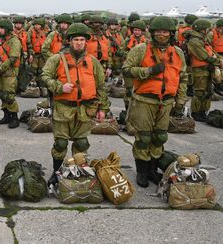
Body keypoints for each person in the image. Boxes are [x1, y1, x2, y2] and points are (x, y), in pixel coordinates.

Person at [41, 23, 110, 187]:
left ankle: (78, 171)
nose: (79, 43)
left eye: (81, 40)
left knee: (81, 144)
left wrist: (103, 108)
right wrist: (59, 87)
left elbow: (101, 86)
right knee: (60, 144)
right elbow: (45, 76)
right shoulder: (57, 59)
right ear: (69, 41)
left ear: (86, 42)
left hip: (85, 110)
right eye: (75, 40)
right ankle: (56, 173)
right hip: (63, 109)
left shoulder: (93, 62)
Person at [122, 16, 187, 187]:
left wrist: (180, 100)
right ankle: (142, 171)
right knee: (144, 138)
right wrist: (148, 71)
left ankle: (153, 170)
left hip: (166, 102)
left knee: (160, 137)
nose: (161, 35)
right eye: (158, 31)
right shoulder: (140, 50)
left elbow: (183, 77)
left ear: (171, 33)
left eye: (165, 32)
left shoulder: (178, 53)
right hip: (144, 100)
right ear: (152, 33)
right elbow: (126, 71)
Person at [184, 19, 220, 122]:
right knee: (199, 92)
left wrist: (217, 59)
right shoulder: (194, 41)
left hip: (207, 69)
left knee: (208, 91)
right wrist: (218, 61)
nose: (207, 31)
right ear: (201, 29)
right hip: (198, 70)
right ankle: (196, 113)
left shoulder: (202, 39)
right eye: (206, 29)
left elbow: (211, 51)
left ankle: (203, 111)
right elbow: (203, 55)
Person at [0, 19, 22, 128]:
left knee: (9, 95)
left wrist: (0, 68)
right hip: (1, 71)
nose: (0, 30)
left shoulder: (14, 41)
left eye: (2, 28)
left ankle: (14, 117)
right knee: (2, 94)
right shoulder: (0, 40)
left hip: (10, 72)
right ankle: (6, 116)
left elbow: (13, 58)